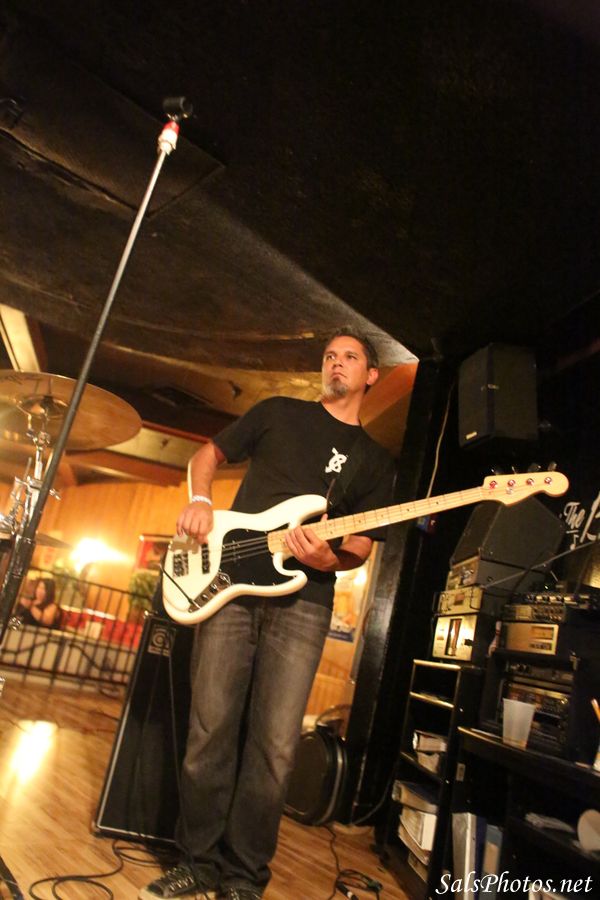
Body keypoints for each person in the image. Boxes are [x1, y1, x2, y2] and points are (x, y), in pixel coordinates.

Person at [140, 327, 396, 900]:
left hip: (305, 603)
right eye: (330, 356)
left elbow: (358, 547)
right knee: (209, 730)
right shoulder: (278, 412)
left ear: (371, 375)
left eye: (350, 357)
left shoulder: (375, 462)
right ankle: (197, 862)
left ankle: (244, 877)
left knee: (276, 749)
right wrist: (200, 500)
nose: (336, 363)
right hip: (228, 588)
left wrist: (328, 557)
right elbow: (208, 454)